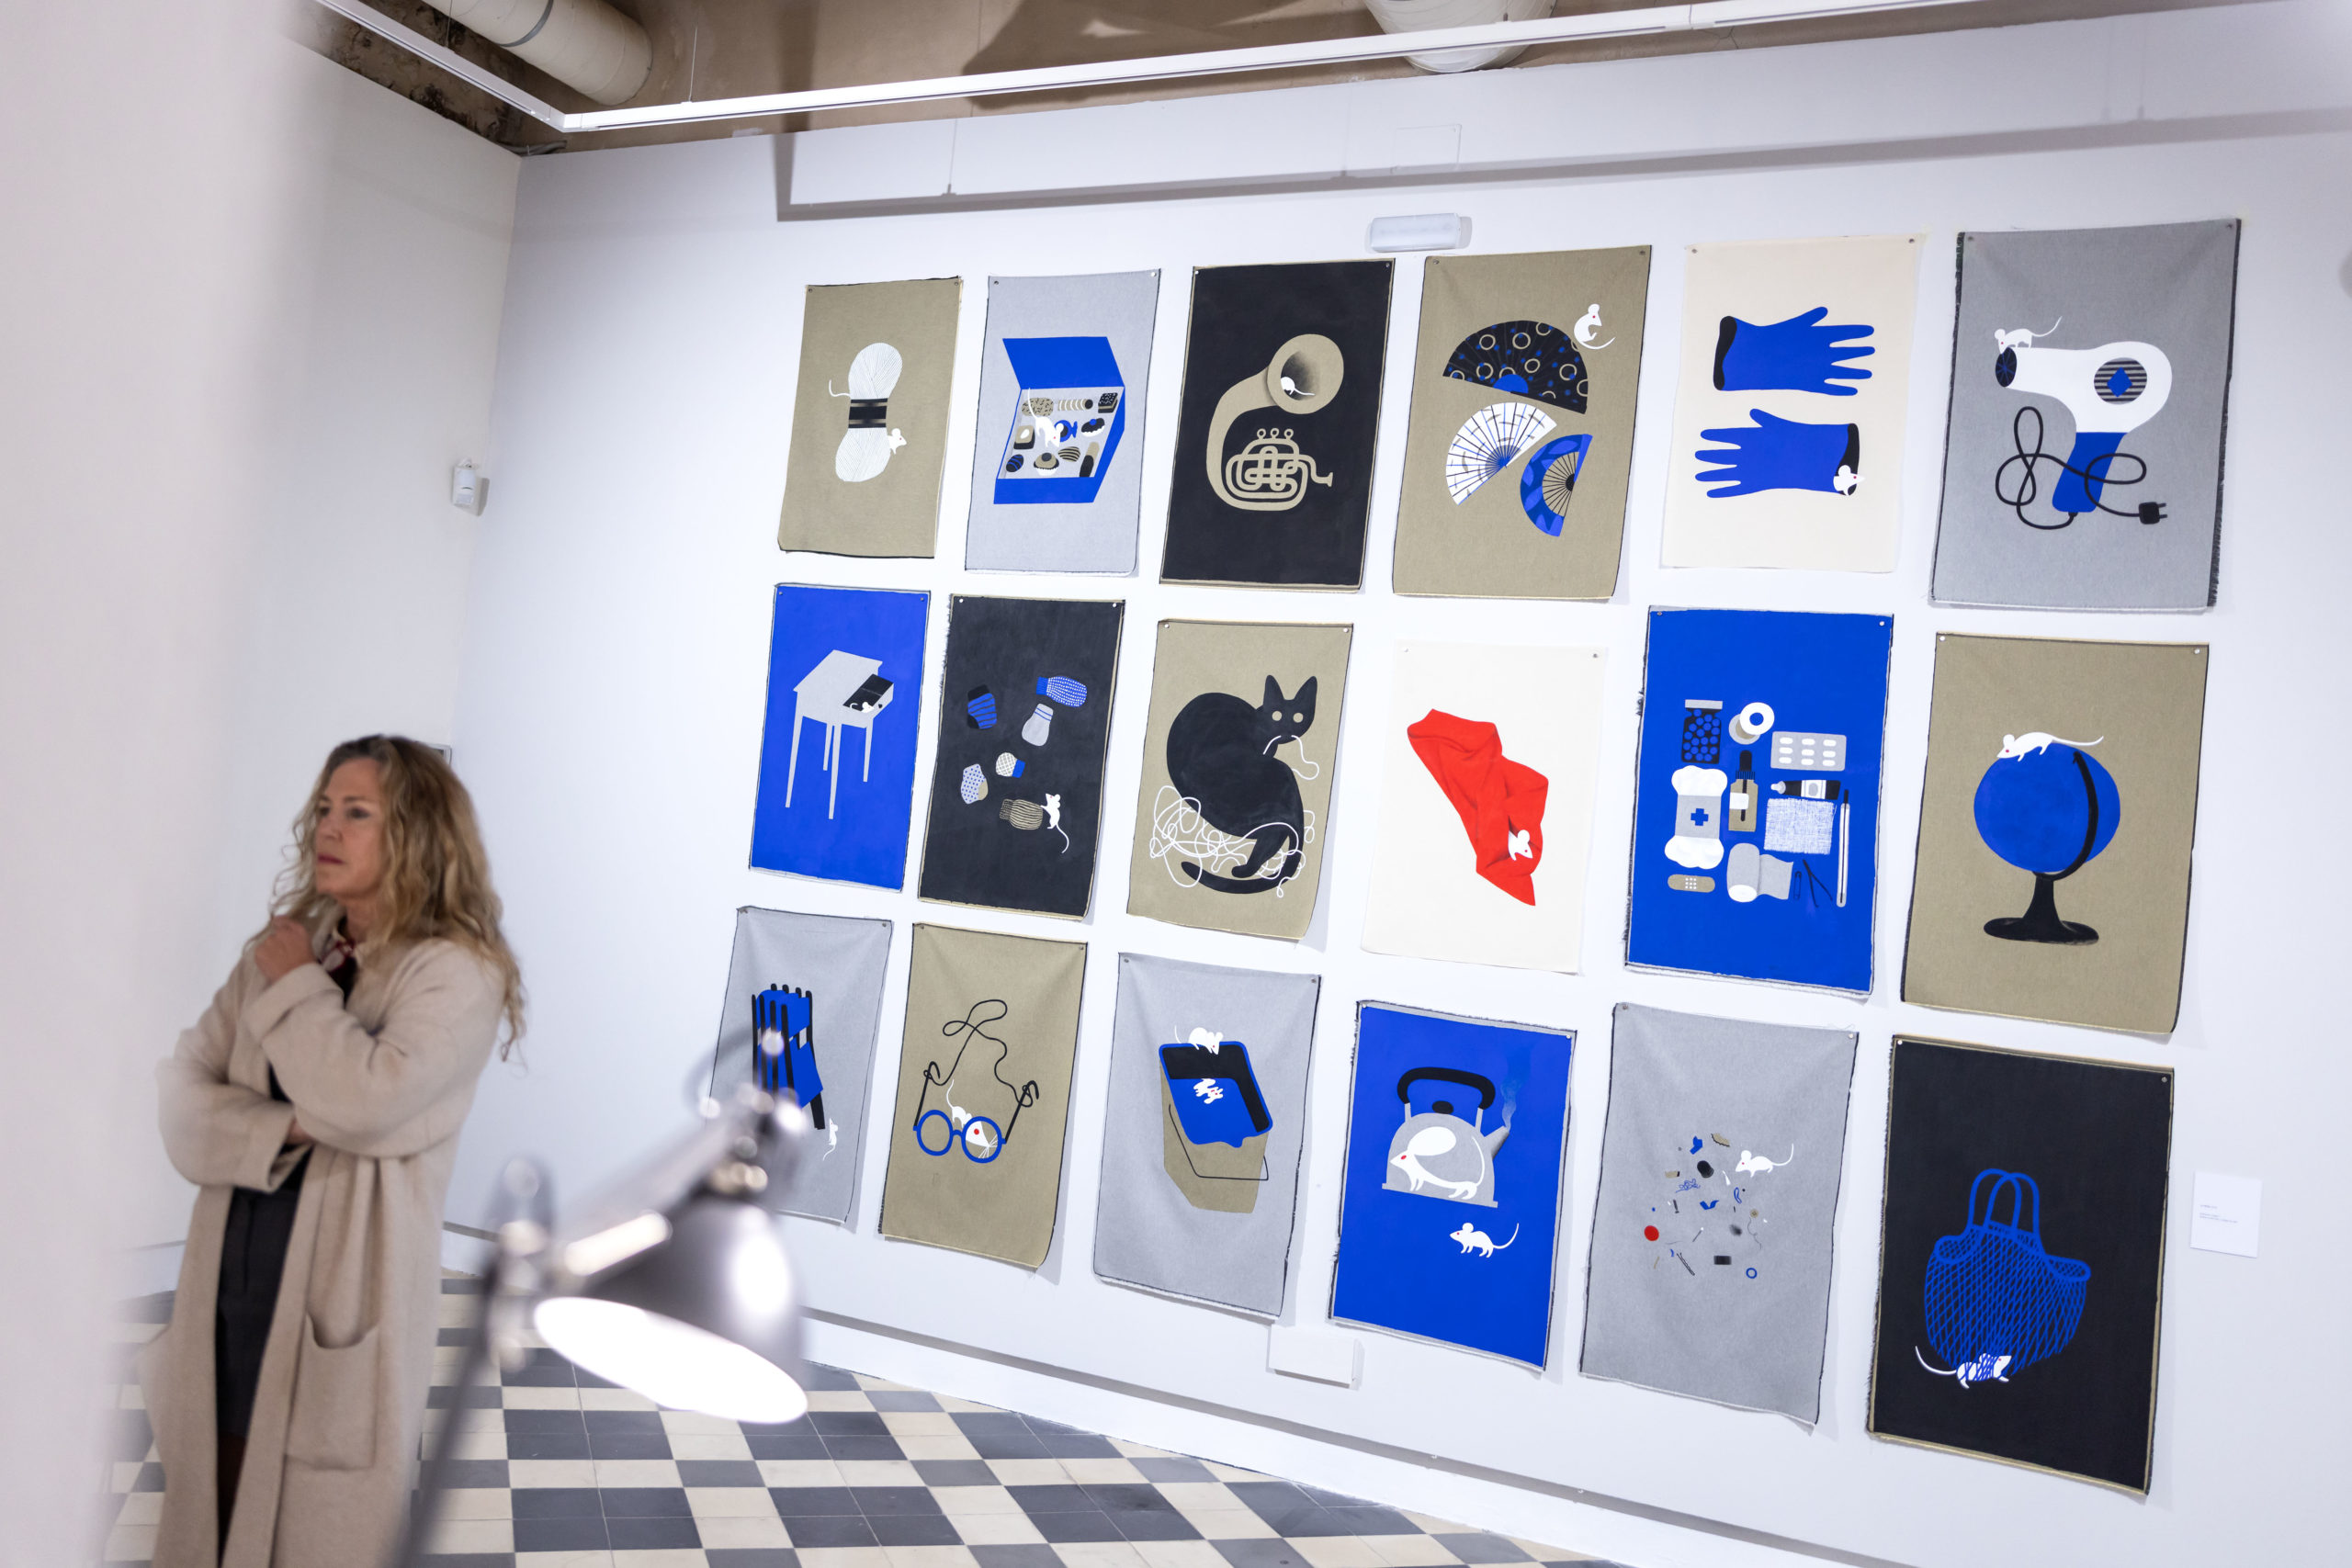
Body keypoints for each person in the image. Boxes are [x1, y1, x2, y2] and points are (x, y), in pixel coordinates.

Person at [140, 737, 524, 1567]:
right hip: (228, 1293)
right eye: (323, 808)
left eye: (357, 812)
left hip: (340, 1320)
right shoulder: (286, 946)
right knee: (210, 1519)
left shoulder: (455, 976)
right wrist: (285, 1127)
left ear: (418, 833)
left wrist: (296, 990)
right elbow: (179, 1101)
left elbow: (366, 1098)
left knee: (316, 1536)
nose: (328, 827)